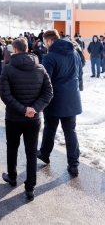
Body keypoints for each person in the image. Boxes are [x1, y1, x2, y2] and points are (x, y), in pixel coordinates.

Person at [0, 37, 53, 201]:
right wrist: (34, 109)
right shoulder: (40, 68)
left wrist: (23, 110)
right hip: (33, 119)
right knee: (31, 151)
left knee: (12, 148)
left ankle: (12, 176)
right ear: (27, 49)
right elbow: (48, 93)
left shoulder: (7, 69)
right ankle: (30, 187)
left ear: (14, 50)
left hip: (14, 118)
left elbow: (5, 95)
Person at [37, 29, 82, 177]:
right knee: (70, 130)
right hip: (72, 98)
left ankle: (44, 153)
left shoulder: (49, 57)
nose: (44, 46)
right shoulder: (74, 52)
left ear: (49, 41)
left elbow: (46, 81)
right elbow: (80, 74)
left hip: (55, 99)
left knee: (50, 127)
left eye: (44, 43)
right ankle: (74, 163)